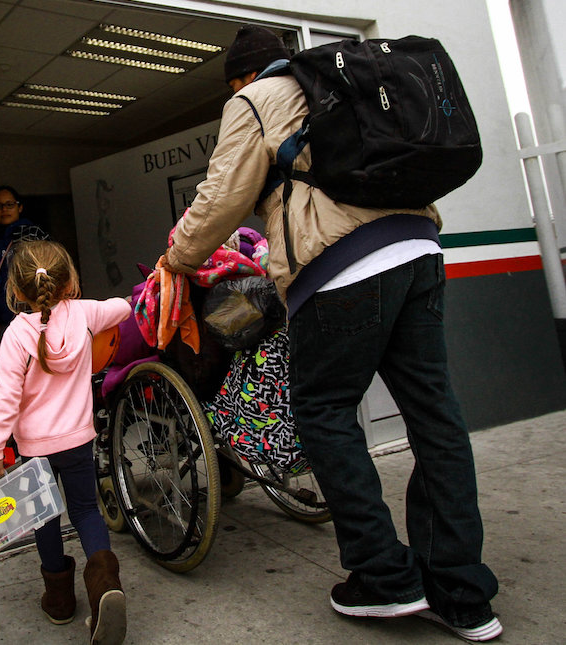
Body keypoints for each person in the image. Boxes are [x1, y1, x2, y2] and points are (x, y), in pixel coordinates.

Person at [162, 26, 501, 642]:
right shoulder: (349, 82)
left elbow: (220, 199)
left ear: (240, 78)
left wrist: (178, 259)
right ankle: (463, 593)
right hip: (419, 249)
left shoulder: (254, 100)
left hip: (342, 268)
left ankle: (385, 577)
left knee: (322, 411)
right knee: (436, 418)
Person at [0, 240, 130, 645]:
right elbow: (124, 307)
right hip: (78, 442)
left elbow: (5, 399)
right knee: (85, 511)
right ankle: (104, 587)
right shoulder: (85, 315)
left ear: (16, 291)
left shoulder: (16, 335)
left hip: (34, 450)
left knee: (44, 518)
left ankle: (60, 602)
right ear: (70, 283)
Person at [0, 185, 50, 359]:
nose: (4, 210)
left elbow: (50, 271)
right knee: (8, 370)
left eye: (9, 205)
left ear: (20, 207)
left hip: (33, 317)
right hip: (2, 321)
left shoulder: (34, 234)